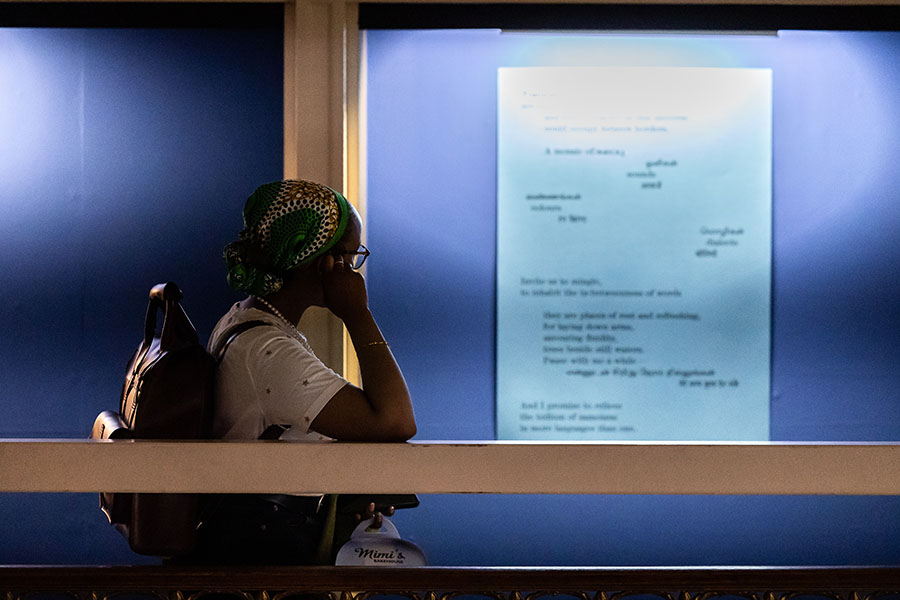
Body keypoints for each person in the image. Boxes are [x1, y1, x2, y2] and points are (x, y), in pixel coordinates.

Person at [187, 179, 416, 565]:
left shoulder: (246, 321)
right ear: (319, 260)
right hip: (265, 562)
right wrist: (358, 314)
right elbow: (396, 420)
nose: (353, 268)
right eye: (350, 255)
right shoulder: (270, 352)